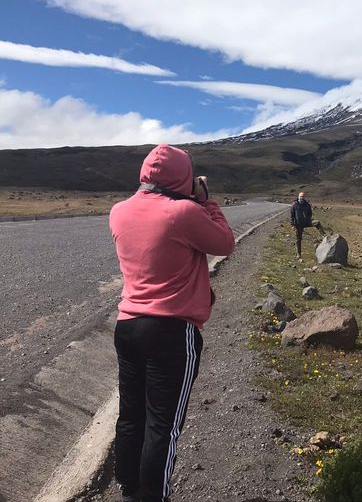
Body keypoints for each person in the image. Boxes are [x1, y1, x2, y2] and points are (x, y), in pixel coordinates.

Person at [109, 144, 235, 502]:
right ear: (183, 176)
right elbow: (225, 242)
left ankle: (129, 489)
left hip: (128, 326)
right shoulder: (183, 213)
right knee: (163, 426)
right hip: (171, 332)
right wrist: (206, 200)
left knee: (131, 416)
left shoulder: (118, 212)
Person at [289, 191, 326, 258]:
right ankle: (299, 254)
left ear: (304, 197)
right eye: (300, 197)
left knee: (317, 222)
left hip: (306, 222)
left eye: (303, 197)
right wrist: (292, 225)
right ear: (298, 197)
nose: (301, 198)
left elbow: (310, 213)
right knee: (298, 239)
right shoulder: (294, 205)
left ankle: (323, 235)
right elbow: (292, 215)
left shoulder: (307, 205)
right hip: (298, 224)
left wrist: (307, 219)